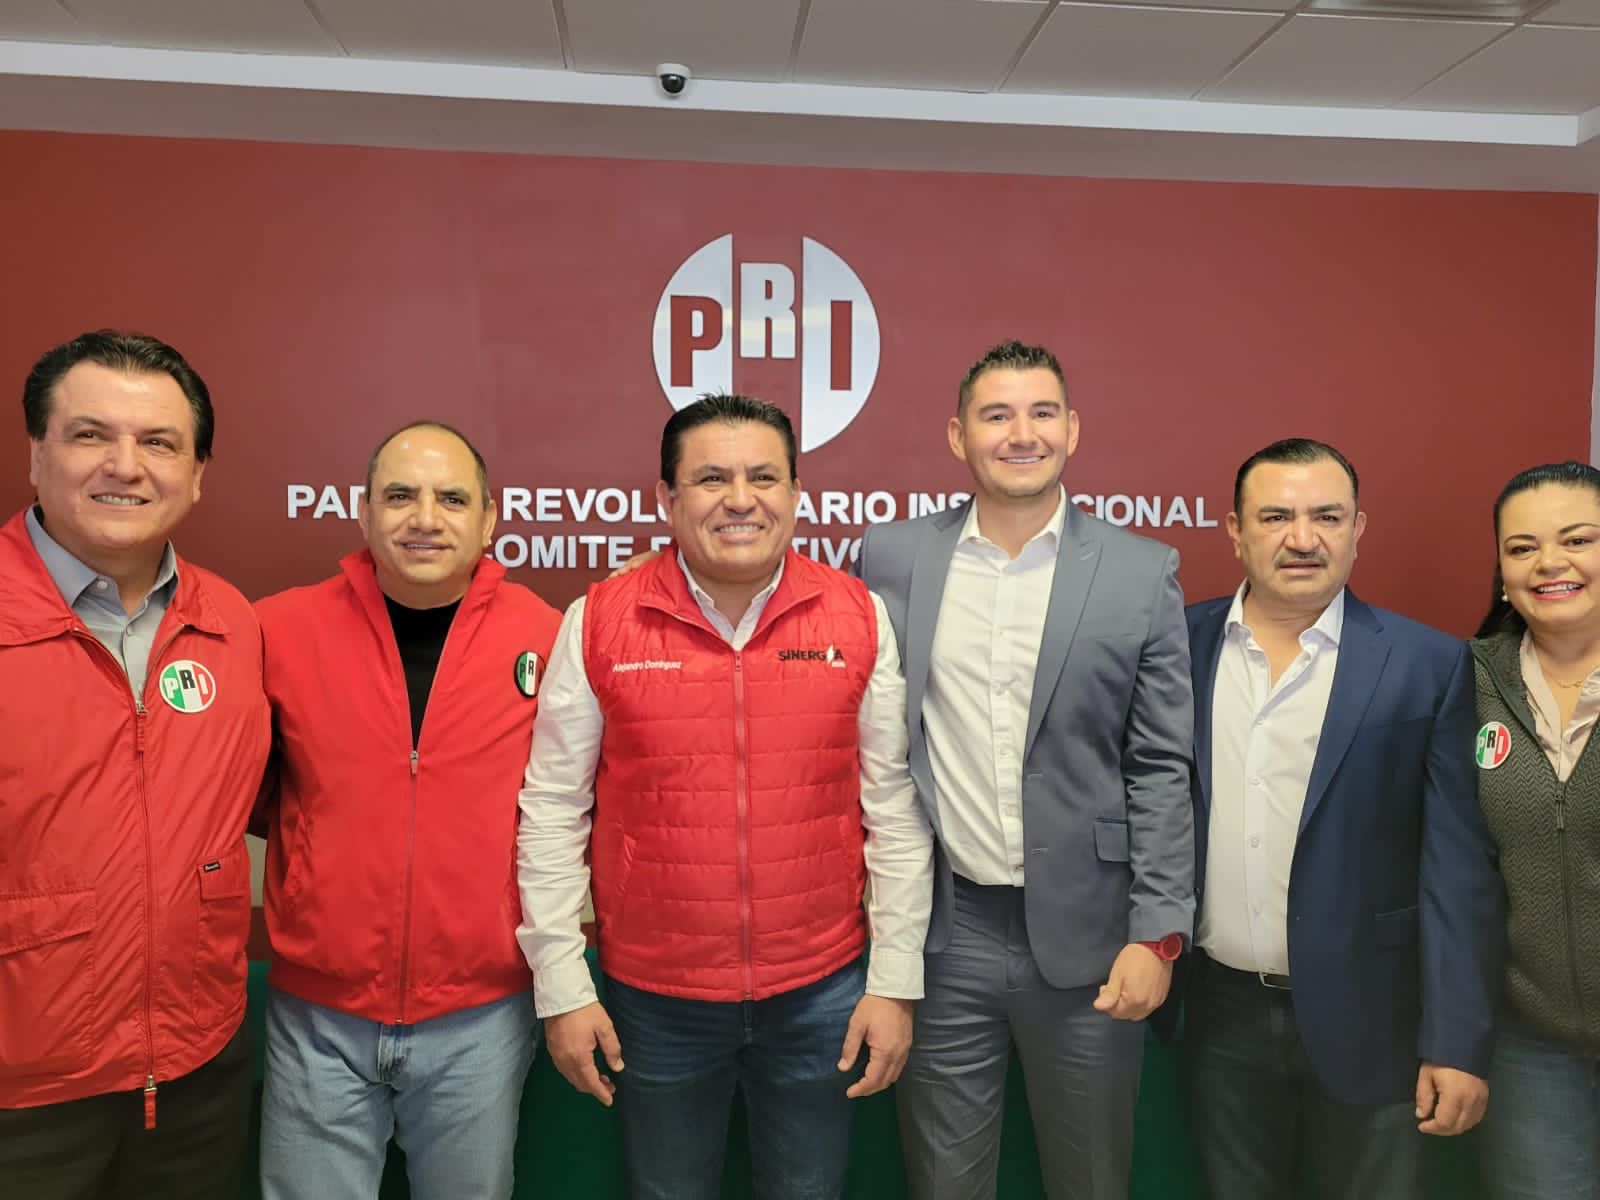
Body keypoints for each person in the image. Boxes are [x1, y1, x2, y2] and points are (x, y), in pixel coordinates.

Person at [517, 392, 933, 1200]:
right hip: (654, 1002)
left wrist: (893, 981)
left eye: (763, 477)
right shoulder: (599, 621)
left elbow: (892, 809)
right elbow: (553, 810)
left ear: (797, 494)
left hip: (822, 993)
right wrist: (561, 985)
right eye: (711, 478)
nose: (741, 499)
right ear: (667, 497)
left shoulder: (859, 617)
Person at [854, 339, 1194, 1200]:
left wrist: (1158, 931)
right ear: (957, 436)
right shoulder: (890, 557)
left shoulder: (1140, 570)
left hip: (1094, 938)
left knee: (1091, 1181)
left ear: (1072, 429)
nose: (1021, 434)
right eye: (996, 415)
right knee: (945, 1184)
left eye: (1042, 413)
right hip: (948, 931)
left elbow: (1161, 765)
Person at [1180, 437, 1503, 1199]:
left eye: (1326, 516)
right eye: (1276, 517)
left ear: (1358, 529)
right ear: (1235, 531)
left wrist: (1456, 1040)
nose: (1302, 538)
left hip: (1377, 1016)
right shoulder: (1177, 646)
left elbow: (1456, 870)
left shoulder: (1428, 663)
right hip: (1219, 1014)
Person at [255, 421, 561, 1200]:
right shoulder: (278, 630)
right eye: (400, 496)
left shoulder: (548, 635)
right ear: (364, 513)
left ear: (489, 521)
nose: (425, 518)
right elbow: (243, 790)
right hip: (319, 1013)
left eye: (451, 499)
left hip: (481, 1015)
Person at [0, 330, 270, 1199]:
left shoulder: (232, 622)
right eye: (90, 435)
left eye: (159, 442)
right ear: (36, 452)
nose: (126, 466)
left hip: (196, 1073)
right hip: (22, 1096)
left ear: (197, 473)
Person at [1471, 460, 1600, 1200]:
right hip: (1531, 1046)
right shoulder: (1464, 681)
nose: (1550, 562)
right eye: (1523, 548)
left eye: (1577, 539)